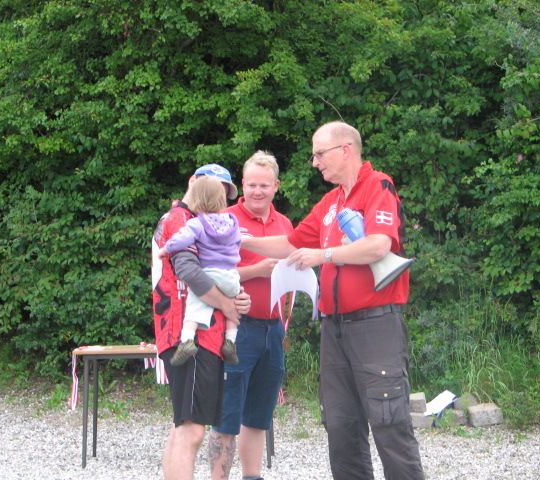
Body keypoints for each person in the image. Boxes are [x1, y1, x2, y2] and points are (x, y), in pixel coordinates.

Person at [240, 122, 425, 480]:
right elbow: (291, 243)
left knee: (389, 423)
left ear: (345, 150)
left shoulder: (378, 186)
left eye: (319, 154)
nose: (315, 162)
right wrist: (240, 240)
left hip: (376, 325)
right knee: (340, 425)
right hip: (335, 329)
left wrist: (323, 255)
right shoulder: (330, 202)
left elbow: (378, 246)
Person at [152, 163, 252, 480]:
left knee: (183, 426)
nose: (216, 198)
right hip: (191, 337)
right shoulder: (181, 219)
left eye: (222, 193)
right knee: (192, 431)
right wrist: (228, 305)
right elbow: (188, 270)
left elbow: (219, 272)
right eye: (212, 188)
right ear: (192, 182)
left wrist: (237, 299)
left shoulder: (198, 223)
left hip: (197, 333)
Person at [208, 151, 294, 480]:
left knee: (258, 416)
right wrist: (257, 270)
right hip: (236, 328)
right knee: (227, 414)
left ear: (276, 186)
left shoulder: (285, 225)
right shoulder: (224, 219)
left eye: (264, 185)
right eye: (252, 185)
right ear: (242, 184)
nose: (258, 192)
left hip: (273, 328)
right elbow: (208, 274)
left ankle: (252, 476)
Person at [158, 175, 242, 366]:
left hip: (210, 273)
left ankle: (187, 339)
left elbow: (182, 244)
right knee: (233, 308)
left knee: (195, 307)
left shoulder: (196, 223)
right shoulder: (232, 222)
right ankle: (231, 340)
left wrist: (166, 249)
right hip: (231, 276)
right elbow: (238, 245)